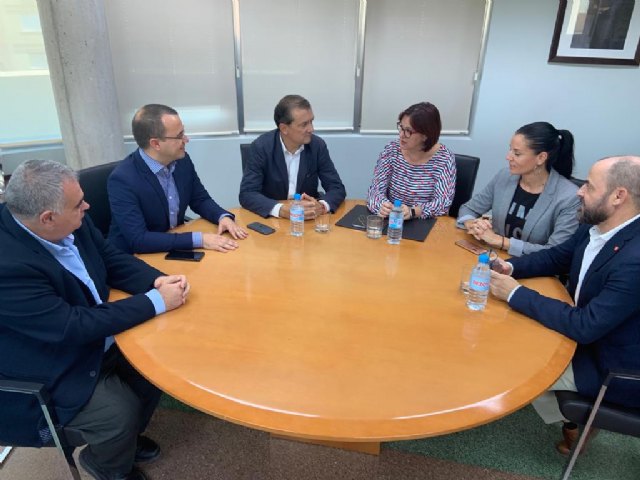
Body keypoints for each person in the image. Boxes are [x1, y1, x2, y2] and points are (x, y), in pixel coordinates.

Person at [0, 160, 190, 480]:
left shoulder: (71, 220)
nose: (87, 206)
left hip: (89, 330)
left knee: (159, 367)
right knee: (118, 414)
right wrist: (154, 302)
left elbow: (110, 258)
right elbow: (71, 326)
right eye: (79, 204)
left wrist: (157, 282)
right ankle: (107, 464)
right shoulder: (8, 266)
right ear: (48, 218)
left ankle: (121, 443)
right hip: (50, 359)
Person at [489, 155, 640, 455]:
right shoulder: (597, 223)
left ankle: (575, 422)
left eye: (589, 186)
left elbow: (585, 326)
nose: (579, 192)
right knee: (504, 334)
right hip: (588, 333)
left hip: (610, 364)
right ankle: (573, 425)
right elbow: (558, 257)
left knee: (508, 362)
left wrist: (514, 293)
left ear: (618, 197)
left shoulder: (635, 259)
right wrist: (510, 268)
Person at [108, 104, 248, 254]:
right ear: (155, 144)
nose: (186, 139)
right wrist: (200, 239)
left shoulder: (182, 160)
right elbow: (139, 240)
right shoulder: (122, 180)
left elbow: (200, 199)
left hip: (172, 248)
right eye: (179, 136)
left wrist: (222, 216)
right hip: (136, 258)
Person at [457, 122, 580, 256]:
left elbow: (556, 253)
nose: (508, 157)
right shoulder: (504, 176)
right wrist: (472, 224)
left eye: (517, 153)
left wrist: (500, 241)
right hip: (494, 258)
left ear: (541, 158)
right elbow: (469, 208)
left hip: (534, 270)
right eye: (510, 150)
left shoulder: (570, 197)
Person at [239, 94, 346, 219]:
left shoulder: (317, 146)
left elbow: (337, 188)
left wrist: (321, 206)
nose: (311, 129)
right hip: (273, 220)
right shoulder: (261, 147)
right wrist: (281, 210)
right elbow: (247, 194)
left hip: (307, 220)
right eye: (304, 124)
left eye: (311, 121)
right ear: (284, 128)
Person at [366, 102, 456, 220]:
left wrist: (414, 211)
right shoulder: (392, 150)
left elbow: (443, 203)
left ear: (425, 135)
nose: (401, 135)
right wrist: (382, 206)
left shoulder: (444, 159)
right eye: (401, 128)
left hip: (424, 224)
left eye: (408, 131)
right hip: (392, 220)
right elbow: (375, 190)